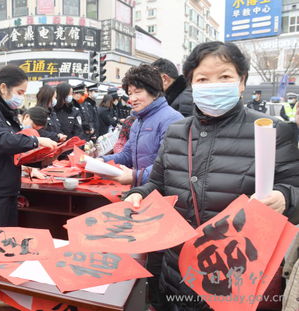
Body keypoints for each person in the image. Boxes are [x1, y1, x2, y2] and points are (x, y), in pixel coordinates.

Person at [124, 41, 299, 311]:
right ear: (192, 85)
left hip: (239, 277)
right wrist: (136, 194)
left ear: (241, 82)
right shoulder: (177, 132)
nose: (213, 84)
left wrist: (285, 196)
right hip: (178, 270)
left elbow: (294, 188)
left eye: (225, 76)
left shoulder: (272, 131)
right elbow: (158, 184)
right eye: (203, 78)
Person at [0, 65, 57, 227]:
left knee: (8, 240)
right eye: (20, 92)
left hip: (5, 188)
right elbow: (2, 141)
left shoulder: (6, 112)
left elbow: (15, 152)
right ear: (3, 88)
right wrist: (37, 141)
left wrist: (43, 159)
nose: (21, 97)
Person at [103, 64, 183, 187]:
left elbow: (171, 164)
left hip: (161, 194)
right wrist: (102, 161)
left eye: (137, 92)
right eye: (130, 93)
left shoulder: (172, 119)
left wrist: (136, 176)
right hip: (140, 191)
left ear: (155, 93)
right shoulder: (137, 122)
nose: (132, 99)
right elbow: (127, 155)